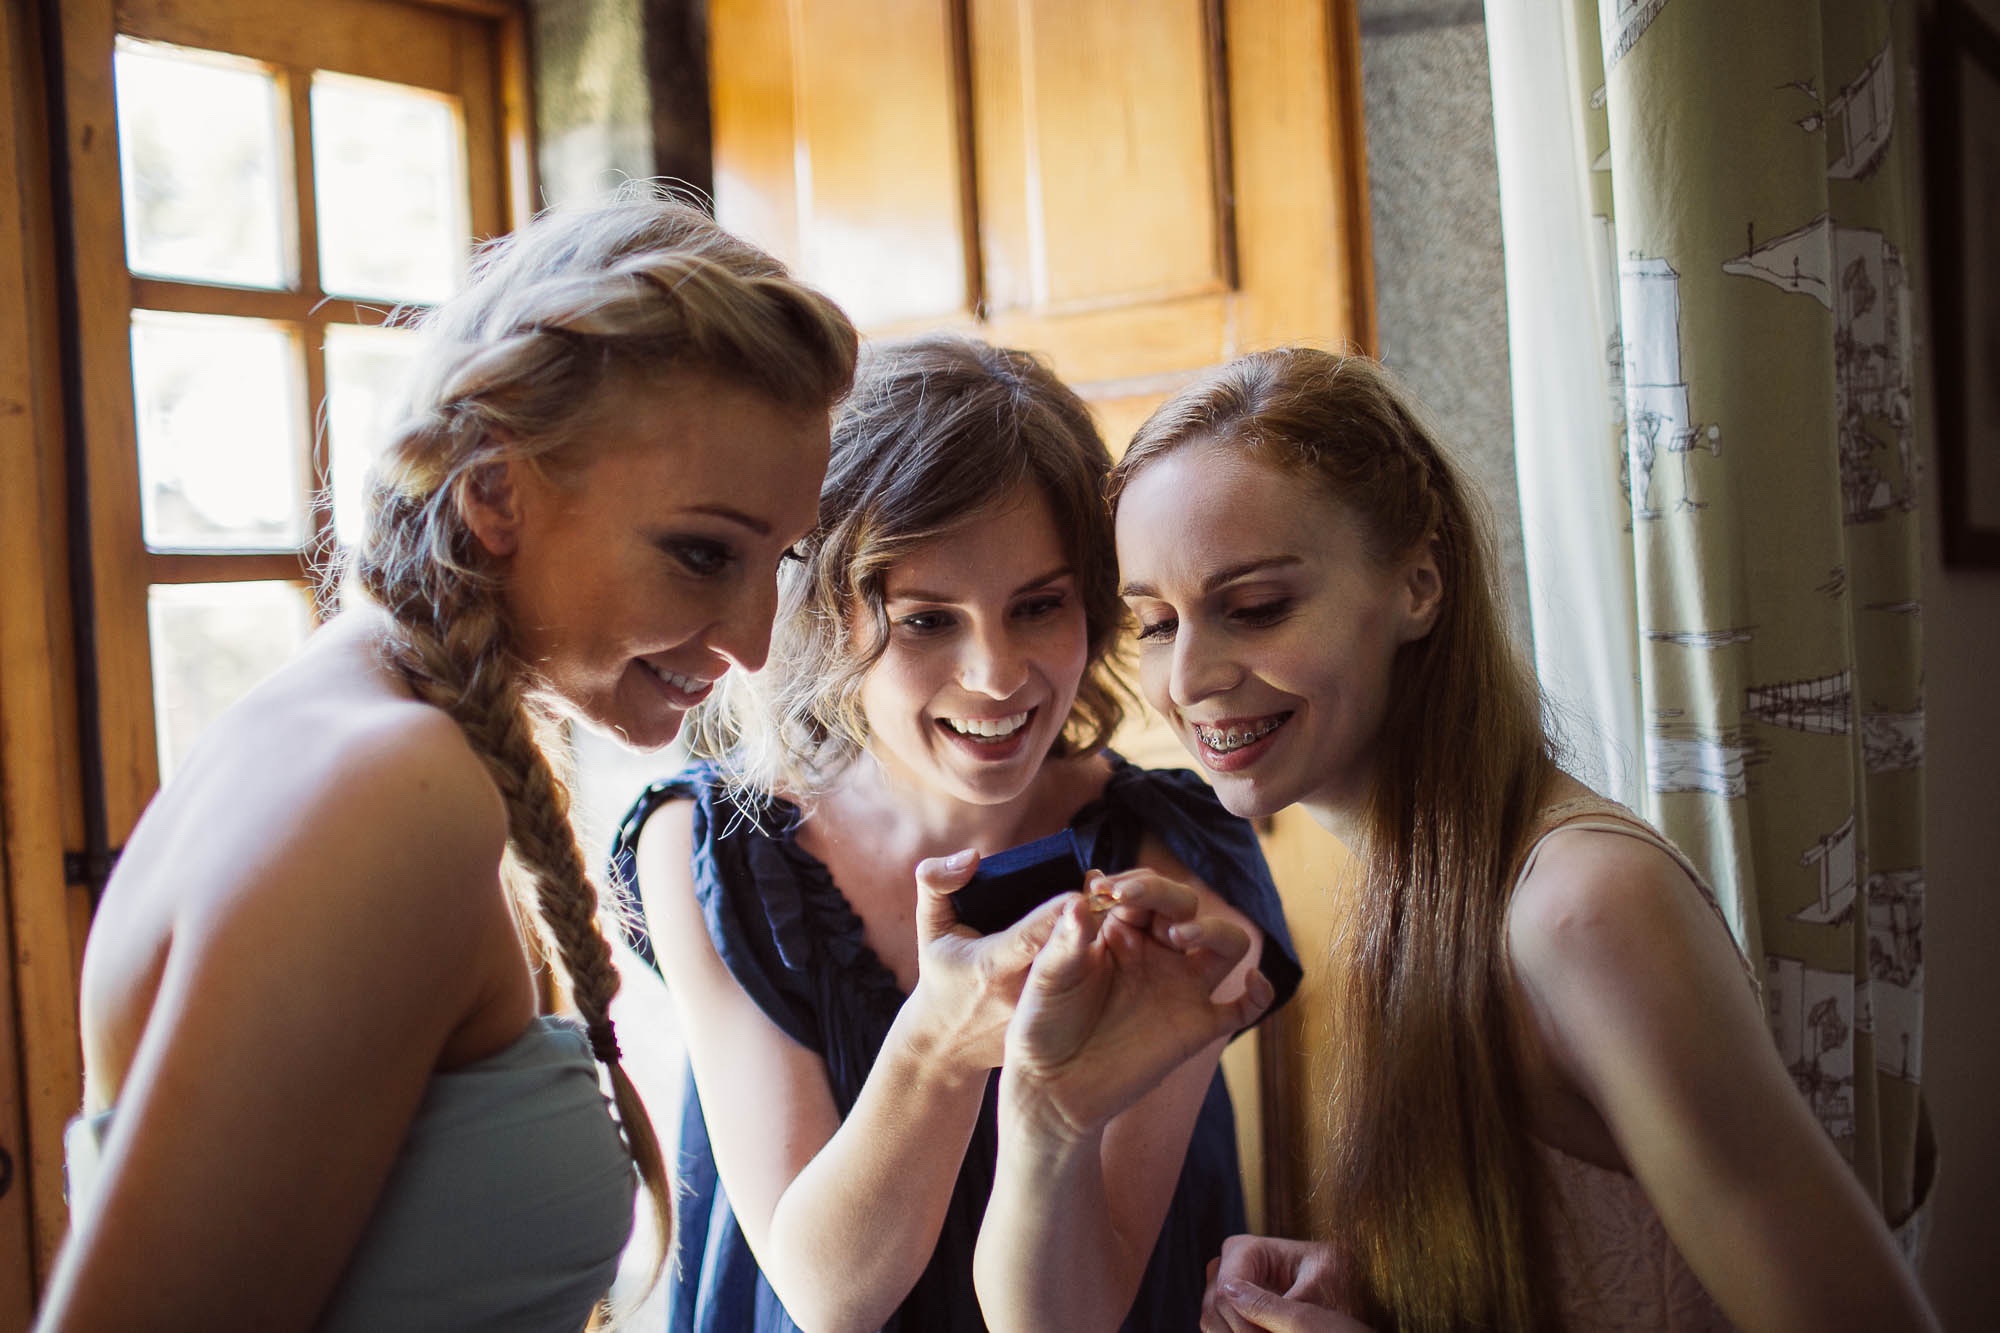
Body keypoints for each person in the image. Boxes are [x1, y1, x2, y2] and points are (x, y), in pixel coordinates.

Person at [990, 347, 1940, 1333]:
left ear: (1418, 584)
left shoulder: (1583, 908)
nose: (1189, 677)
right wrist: (1381, 1291)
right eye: (1153, 623)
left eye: (1257, 607)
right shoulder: (1419, 885)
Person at [37, 198, 858, 1332]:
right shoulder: (391, 793)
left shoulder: (362, 728)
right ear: (494, 489)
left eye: (781, 559)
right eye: (702, 553)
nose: (753, 643)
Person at [608, 335, 1303, 1333]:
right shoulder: (712, 849)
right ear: (828, 617)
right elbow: (828, 1295)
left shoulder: (1176, 858)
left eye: (1037, 605)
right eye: (927, 620)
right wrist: (936, 1043)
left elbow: (1077, 1315)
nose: (996, 674)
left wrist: (1052, 1104)